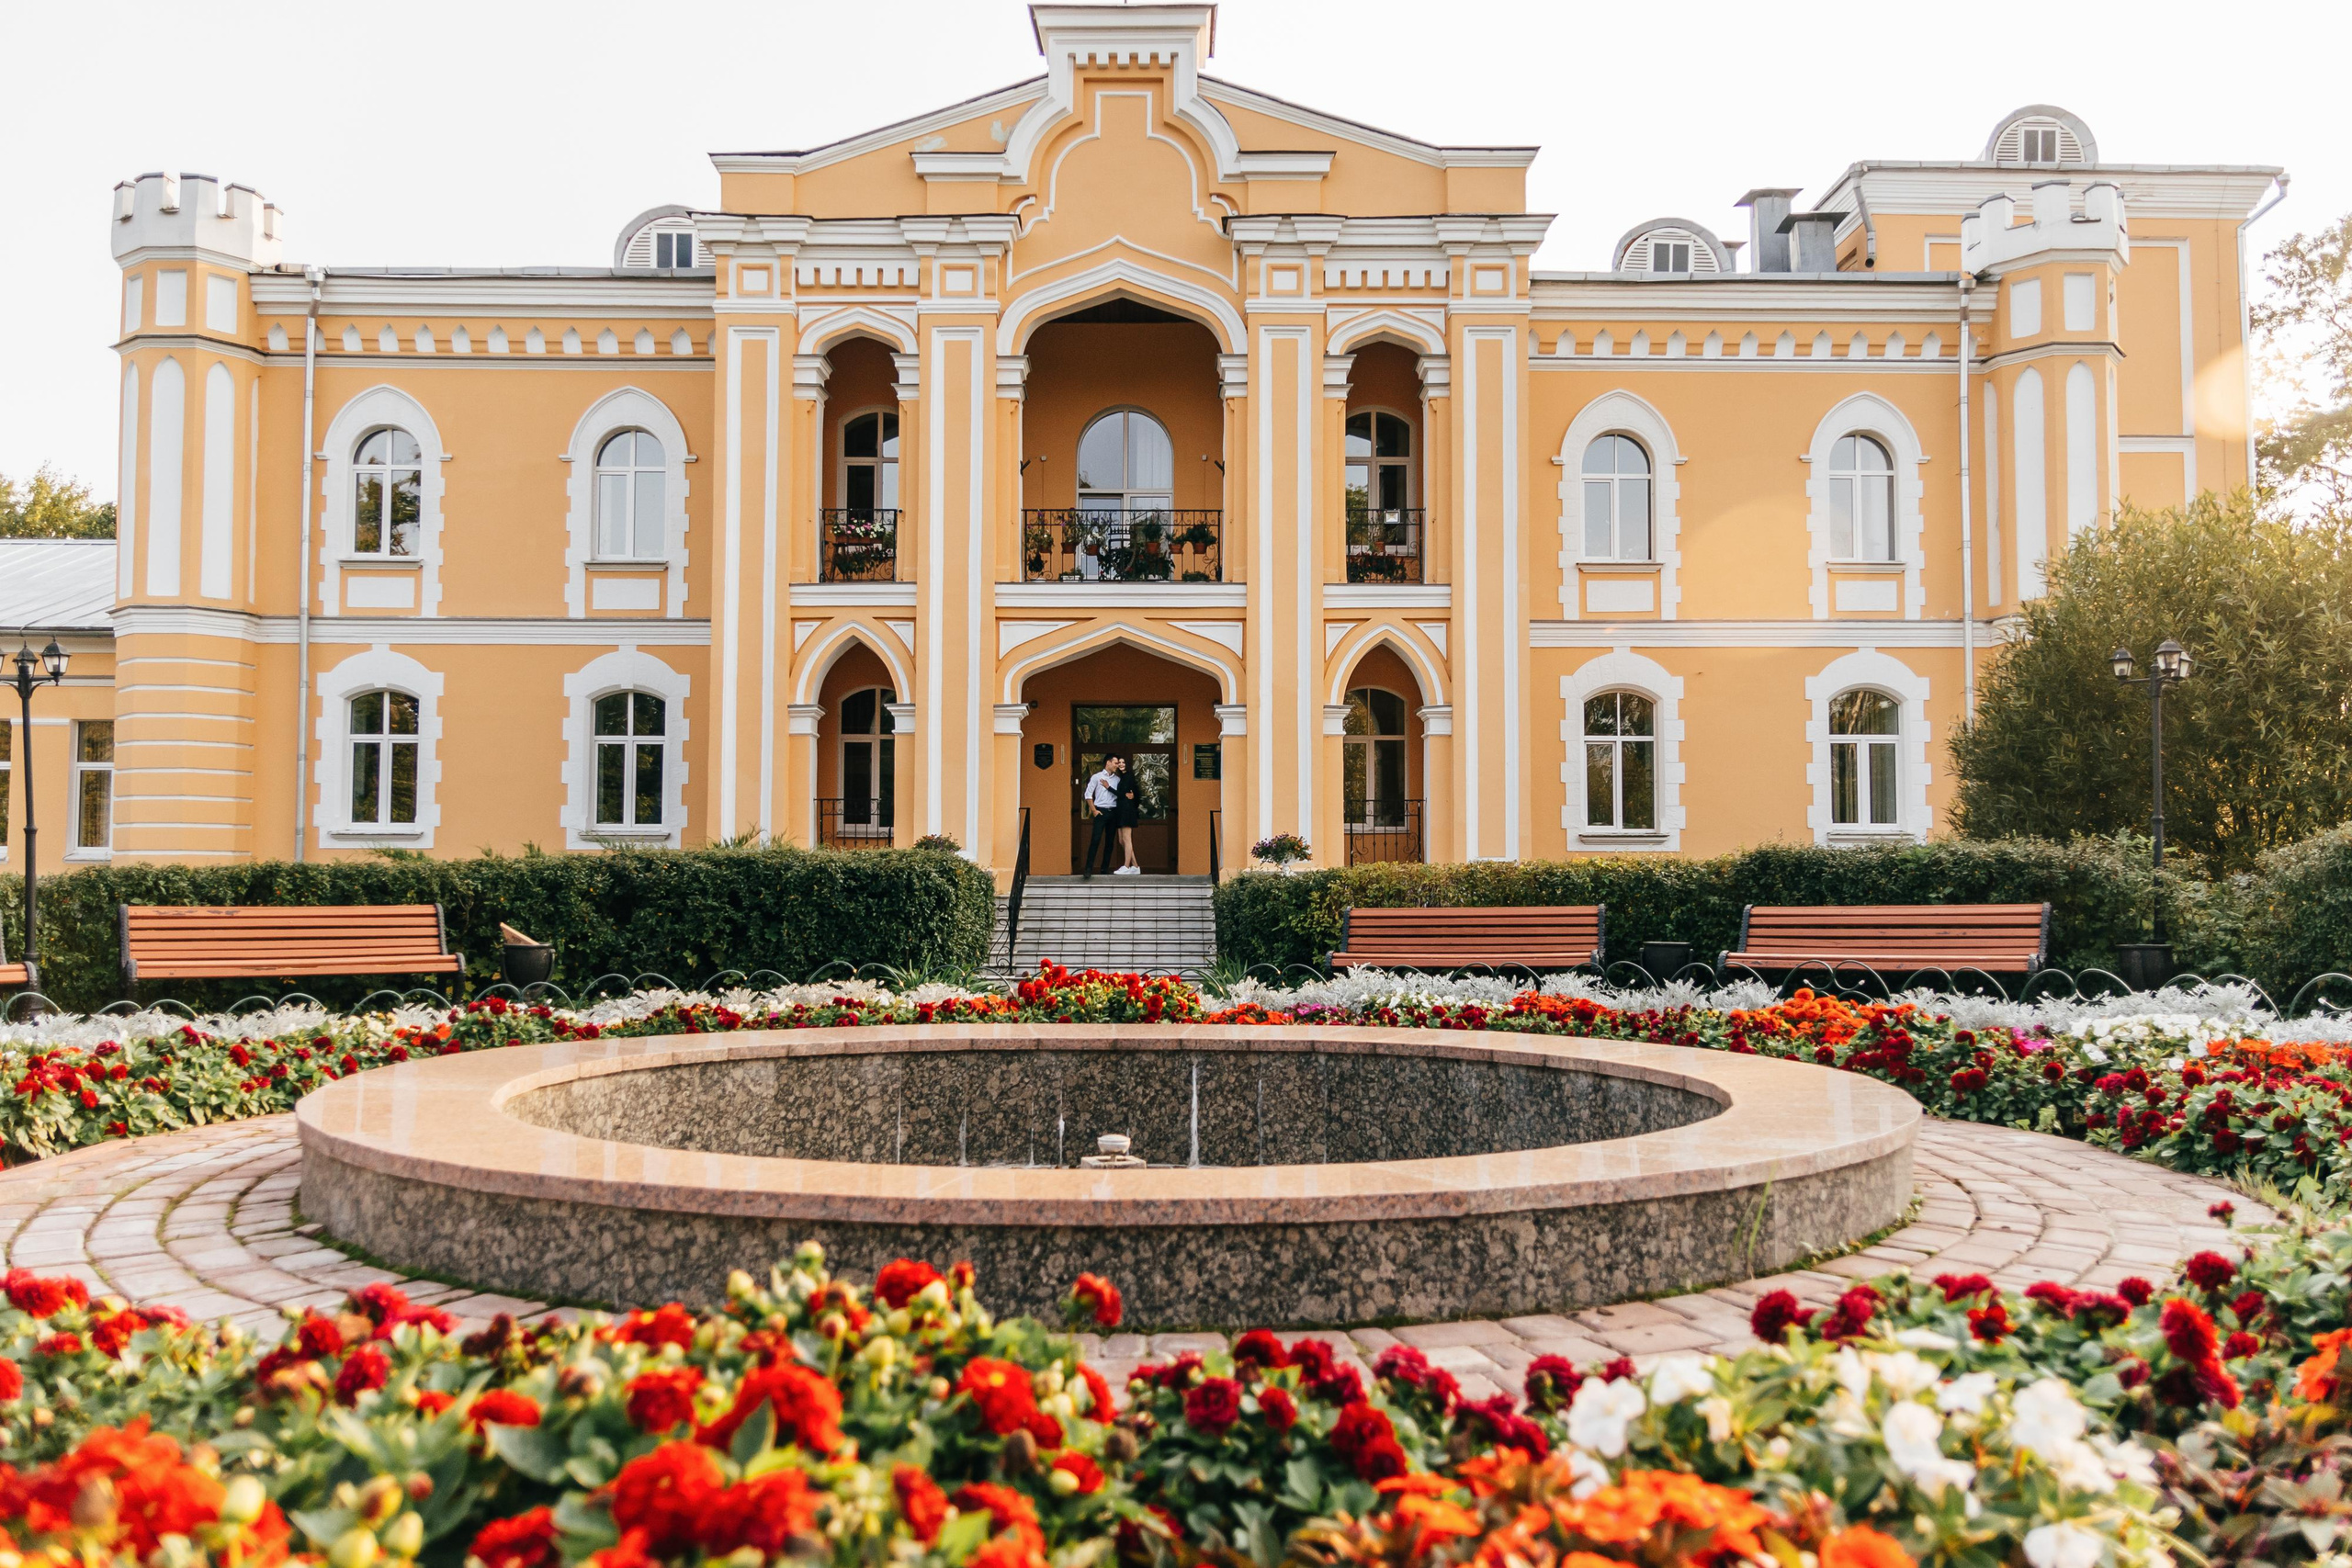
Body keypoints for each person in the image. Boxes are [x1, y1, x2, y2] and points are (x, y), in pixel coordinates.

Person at [1081, 755, 1123, 874]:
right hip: (1101, 811)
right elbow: (1088, 795)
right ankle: (1088, 869)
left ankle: (1104, 869)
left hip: (1113, 812)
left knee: (1110, 842)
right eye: (1115, 763)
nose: (1117, 765)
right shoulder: (1096, 777)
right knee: (1095, 839)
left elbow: (1119, 795)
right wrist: (1094, 810)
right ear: (1108, 763)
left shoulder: (1117, 780)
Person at [1113, 760, 1144, 874]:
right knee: (1121, 840)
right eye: (1119, 762)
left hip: (1127, 811)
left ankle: (1126, 866)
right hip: (1121, 810)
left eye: (1123, 762)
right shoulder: (1122, 777)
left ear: (1127, 765)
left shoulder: (1128, 776)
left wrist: (1108, 787)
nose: (1121, 764)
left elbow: (1124, 794)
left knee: (1126, 839)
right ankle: (1135, 866)